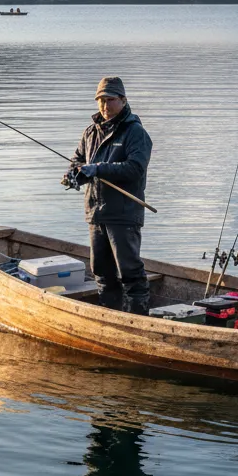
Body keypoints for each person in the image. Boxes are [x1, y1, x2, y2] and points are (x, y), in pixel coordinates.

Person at [62, 76, 153, 314]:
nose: (105, 106)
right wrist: (75, 176)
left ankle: (138, 319)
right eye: (100, 101)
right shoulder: (90, 132)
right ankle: (109, 316)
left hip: (123, 214)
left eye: (110, 100)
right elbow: (78, 161)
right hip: (95, 213)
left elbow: (135, 168)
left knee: (129, 271)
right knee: (101, 271)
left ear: (123, 100)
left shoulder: (135, 133)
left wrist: (98, 169)